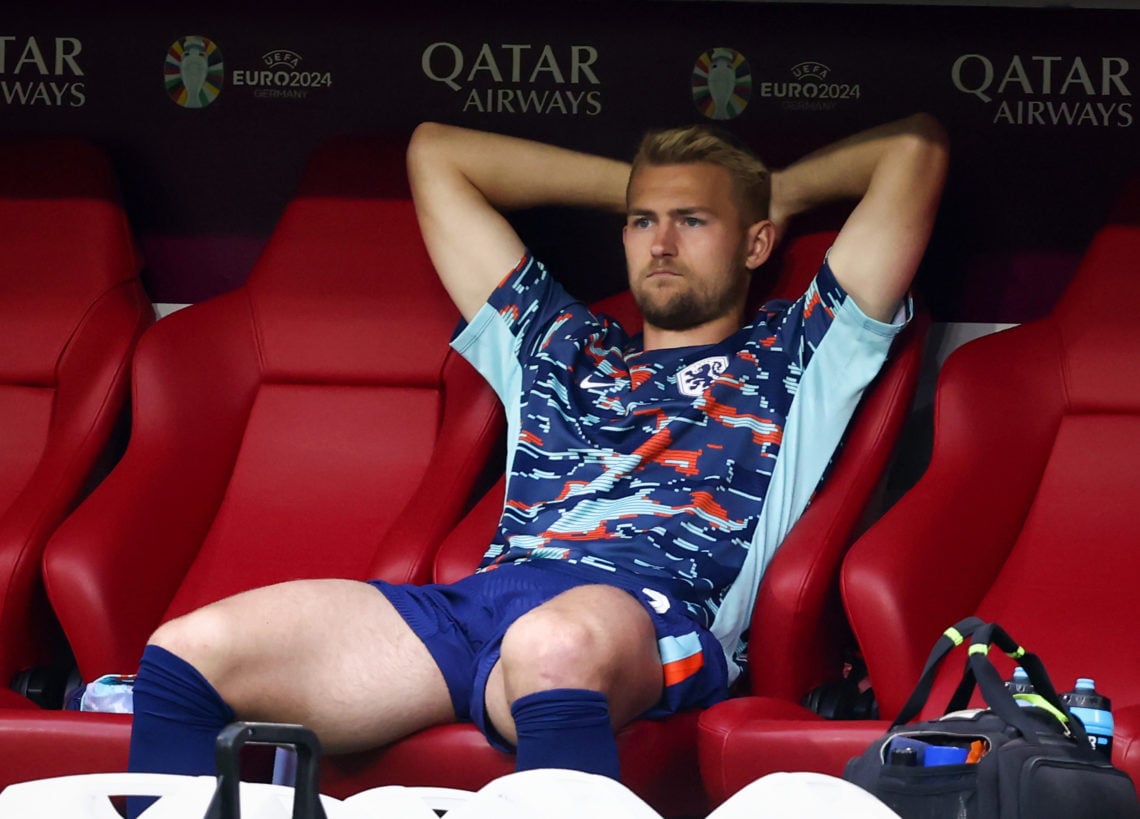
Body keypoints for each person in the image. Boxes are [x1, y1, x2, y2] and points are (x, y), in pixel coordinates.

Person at [126, 114, 948, 787]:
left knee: (552, 646)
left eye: (692, 221)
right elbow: (436, 154)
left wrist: (760, 190)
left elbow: (916, 151)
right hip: (483, 604)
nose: (659, 243)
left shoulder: (797, 350)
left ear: (757, 242)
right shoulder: (559, 342)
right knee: (187, 652)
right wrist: (651, 186)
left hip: (651, 615)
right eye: (641, 221)